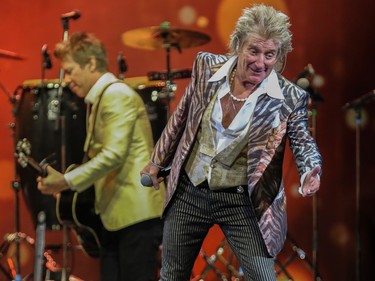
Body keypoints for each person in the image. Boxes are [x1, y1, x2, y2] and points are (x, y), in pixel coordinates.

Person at [140, 4, 322, 281]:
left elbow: (302, 139)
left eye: (270, 54)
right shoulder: (205, 67)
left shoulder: (289, 97)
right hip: (190, 190)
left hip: (243, 201)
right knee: (172, 276)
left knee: (263, 278)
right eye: (253, 51)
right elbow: (181, 116)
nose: (261, 62)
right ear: (237, 45)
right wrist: (156, 162)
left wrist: (311, 168)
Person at [37, 31, 165, 281]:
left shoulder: (116, 95)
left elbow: (113, 156)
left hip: (134, 216)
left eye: (71, 70)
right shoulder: (103, 98)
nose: (67, 79)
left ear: (92, 63)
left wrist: (65, 181)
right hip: (118, 217)